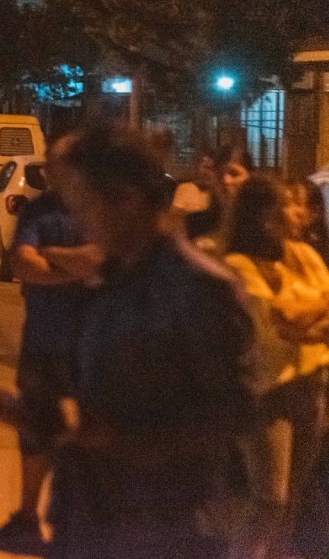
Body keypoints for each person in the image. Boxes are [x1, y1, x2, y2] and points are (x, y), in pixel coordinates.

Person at [47, 123, 257, 559]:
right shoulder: (113, 281)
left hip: (169, 527)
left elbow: (233, 415)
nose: (78, 222)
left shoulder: (198, 289)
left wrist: (126, 443)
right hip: (96, 518)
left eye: (85, 206)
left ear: (127, 199)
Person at [0, 134, 101, 546]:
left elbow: (103, 260)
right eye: (48, 165)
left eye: (57, 165)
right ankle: (27, 517)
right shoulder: (38, 210)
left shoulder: (103, 211)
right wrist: (77, 270)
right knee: (34, 428)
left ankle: (89, 524)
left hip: (97, 345)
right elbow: (23, 263)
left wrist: (51, 256)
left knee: (97, 434)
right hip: (43, 341)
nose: (49, 172)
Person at [222, 176, 329, 558]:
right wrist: (311, 315)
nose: (297, 212)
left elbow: (294, 317)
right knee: (270, 498)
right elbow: (279, 320)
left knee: (293, 496)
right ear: (260, 216)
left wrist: (301, 320)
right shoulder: (238, 264)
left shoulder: (305, 255)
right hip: (266, 392)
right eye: (285, 205)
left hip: (311, 384)